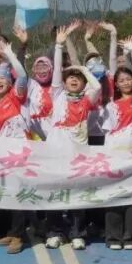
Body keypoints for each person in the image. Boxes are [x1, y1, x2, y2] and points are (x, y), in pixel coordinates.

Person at [46, 21, 101, 250]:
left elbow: (97, 87)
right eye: (70, 77)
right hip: (56, 152)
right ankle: (55, 231)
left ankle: (77, 232)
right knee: (55, 192)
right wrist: (59, 46)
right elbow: (58, 73)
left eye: (78, 77)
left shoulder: (87, 100)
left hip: (78, 154)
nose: (73, 79)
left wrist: (84, 69)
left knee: (78, 193)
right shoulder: (57, 94)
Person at [0, 37, 31, 255]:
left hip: (18, 152)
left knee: (18, 192)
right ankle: (12, 231)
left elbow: (22, 75)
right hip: (1, 154)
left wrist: (10, 54)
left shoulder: (16, 96)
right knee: (7, 193)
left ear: (9, 81)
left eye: (3, 79)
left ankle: (20, 236)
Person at [102, 37, 132, 251]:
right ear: (117, 85)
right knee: (114, 194)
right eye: (122, 80)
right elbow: (108, 132)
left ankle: (131, 237)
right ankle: (113, 237)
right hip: (115, 156)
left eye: (128, 78)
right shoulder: (111, 105)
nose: (126, 82)